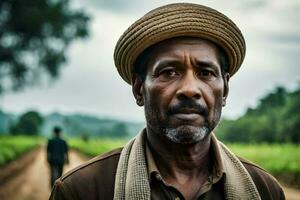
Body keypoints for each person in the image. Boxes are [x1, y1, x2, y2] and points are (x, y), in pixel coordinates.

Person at [50, 3, 285, 200]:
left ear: (224, 90)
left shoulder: (266, 191)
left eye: (205, 73)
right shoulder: (81, 191)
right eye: (169, 72)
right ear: (139, 89)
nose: (190, 90)